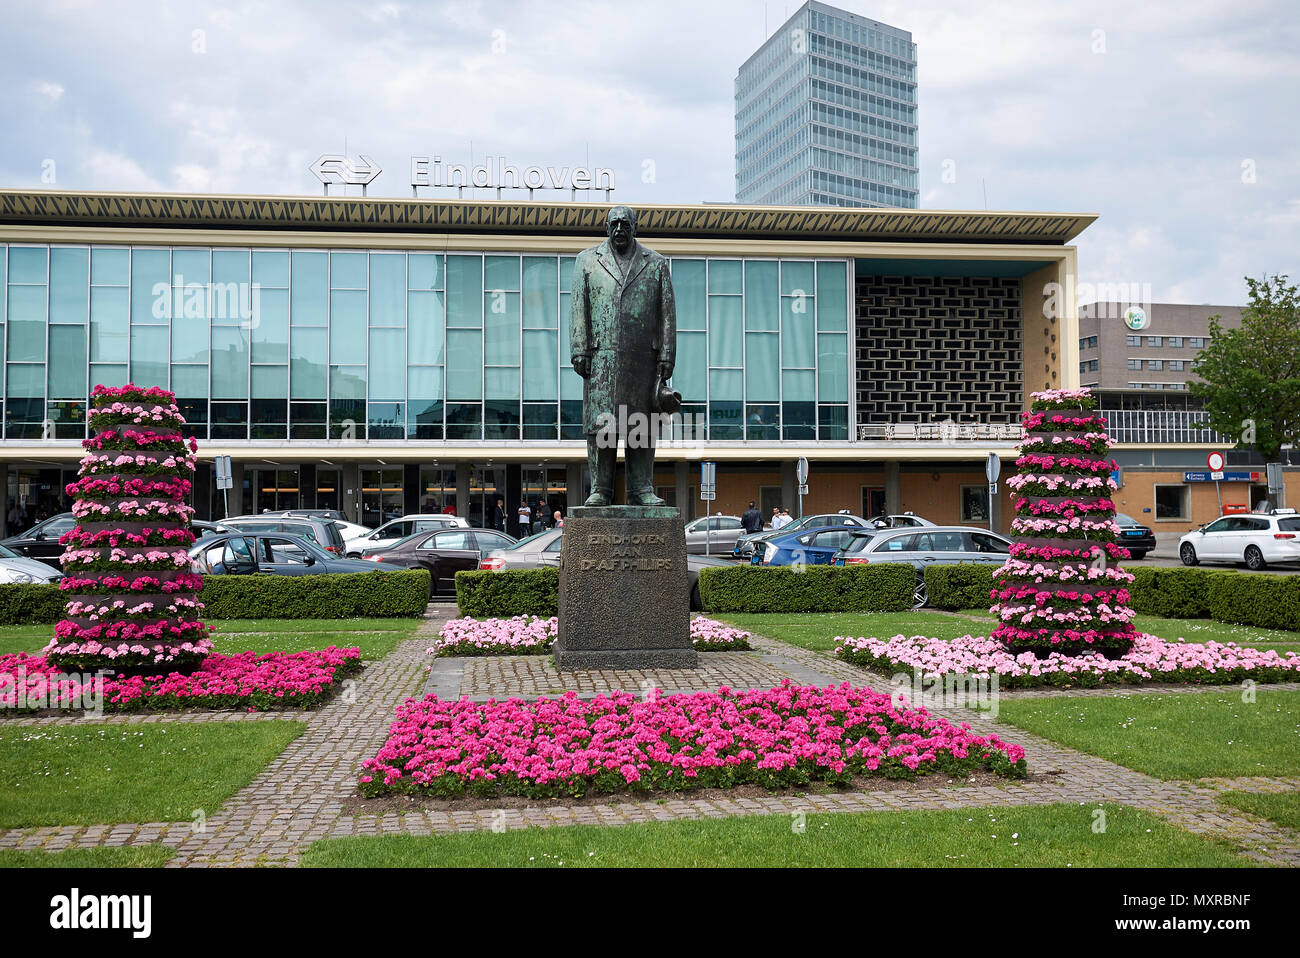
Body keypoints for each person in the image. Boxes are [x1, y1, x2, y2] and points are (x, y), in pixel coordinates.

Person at [571, 205, 675, 506]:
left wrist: (667, 356)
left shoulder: (655, 263)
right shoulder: (587, 261)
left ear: (634, 227)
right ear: (606, 228)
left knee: (639, 424)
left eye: (624, 224)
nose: (619, 229)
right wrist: (579, 348)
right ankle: (600, 489)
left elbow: (666, 313)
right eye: (614, 224)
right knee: (602, 425)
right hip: (601, 359)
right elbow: (579, 307)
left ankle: (640, 488)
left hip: (644, 360)